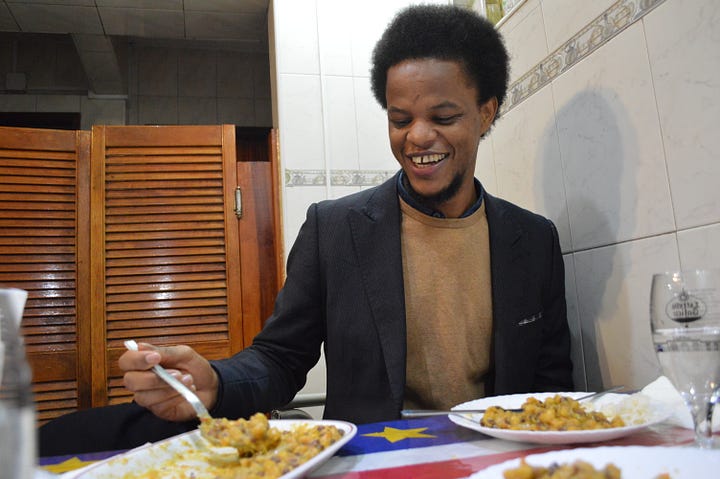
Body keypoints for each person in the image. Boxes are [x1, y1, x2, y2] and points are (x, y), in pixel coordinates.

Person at [39, 4, 572, 455]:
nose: (418, 137)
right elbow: (281, 358)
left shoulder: (533, 240)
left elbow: (554, 387)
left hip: (496, 461)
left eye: (444, 115)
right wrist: (217, 381)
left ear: (486, 112)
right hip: (375, 462)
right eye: (400, 117)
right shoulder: (335, 228)